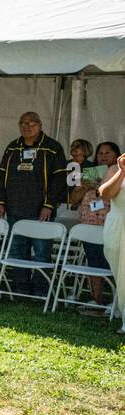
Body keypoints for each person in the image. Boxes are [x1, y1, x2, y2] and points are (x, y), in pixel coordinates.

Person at [0, 112, 67, 294]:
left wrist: (49, 204)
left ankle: (41, 290)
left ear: (40, 125)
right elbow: (0, 176)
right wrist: (0, 202)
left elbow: (59, 180)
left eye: (31, 123)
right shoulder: (12, 147)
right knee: (17, 250)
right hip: (14, 208)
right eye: (23, 123)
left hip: (41, 210)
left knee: (41, 252)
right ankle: (20, 288)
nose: (27, 127)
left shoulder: (52, 147)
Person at [71, 142, 122, 311]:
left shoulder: (119, 173)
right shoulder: (88, 173)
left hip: (111, 225)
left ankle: (117, 301)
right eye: (100, 153)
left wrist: (104, 186)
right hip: (89, 225)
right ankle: (96, 298)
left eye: (108, 152)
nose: (103, 156)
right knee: (94, 260)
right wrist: (85, 187)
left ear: (116, 155)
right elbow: (73, 200)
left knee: (114, 263)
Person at [93, 150, 125, 334]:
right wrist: (122, 171)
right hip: (118, 224)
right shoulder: (116, 168)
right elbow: (105, 194)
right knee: (121, 273)